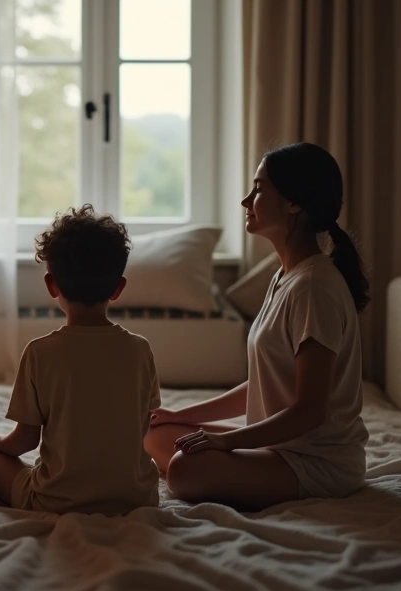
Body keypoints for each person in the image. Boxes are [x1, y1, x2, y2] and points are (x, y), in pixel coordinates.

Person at [144, 142, 370, 510]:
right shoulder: (286, 276)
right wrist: (179, 415)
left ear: (294, 202)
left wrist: (227, 443)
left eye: (259, 188)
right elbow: (266, 381)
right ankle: (237, 469)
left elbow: (310, 411)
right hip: (277, 446)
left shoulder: (314, 287)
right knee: (156, 433)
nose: (247, 200)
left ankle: (235, 472)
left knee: (185, 470)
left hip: (316, 462)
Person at [0, 205, 161, 516]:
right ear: (118, 288)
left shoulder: (39, 352)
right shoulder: (140, 350)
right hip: (136, 498)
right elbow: (140, 429)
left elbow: (25, 441)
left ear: (51, 284)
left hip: (56, 500)